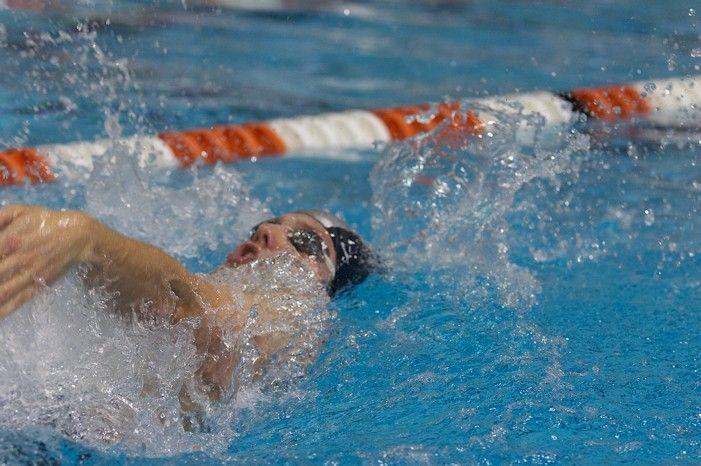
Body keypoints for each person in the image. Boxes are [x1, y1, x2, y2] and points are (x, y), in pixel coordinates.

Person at [0, 204, 374, 408]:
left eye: (306, 241)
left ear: (325, 282)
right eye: (268, 223)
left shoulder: (296, 314)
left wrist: (88, 242)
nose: (269, 232)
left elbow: (201, 320)